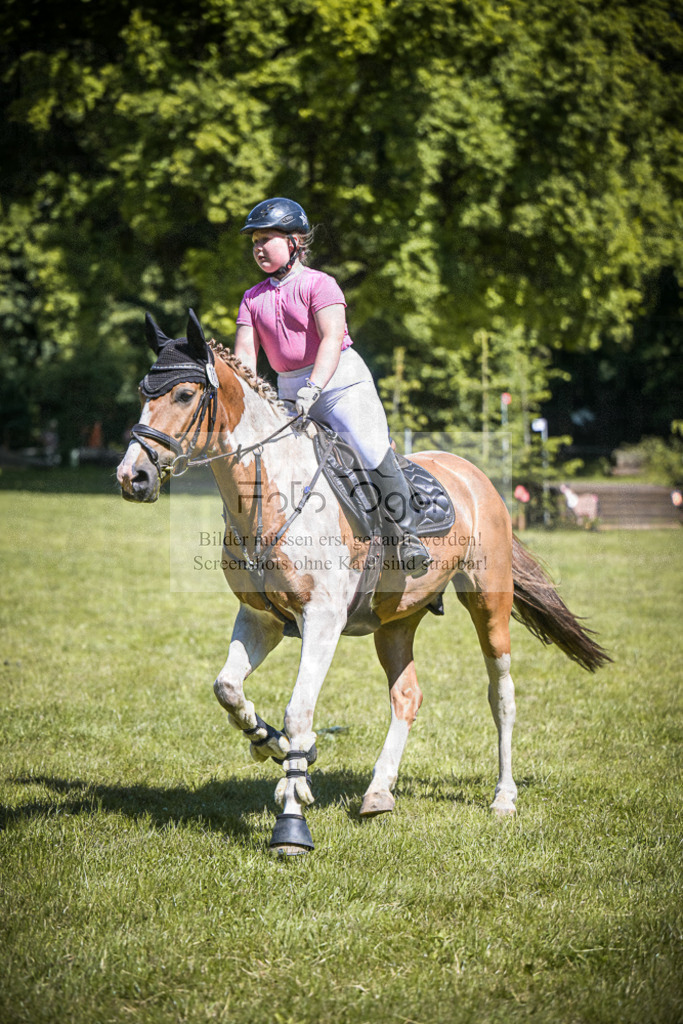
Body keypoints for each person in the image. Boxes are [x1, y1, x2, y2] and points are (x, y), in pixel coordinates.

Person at [234, 197, 431, 577]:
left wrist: (315, 385)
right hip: (288, 391)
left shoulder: (320, 284)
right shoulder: (251, 298)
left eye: (267, 239)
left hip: (340, 382)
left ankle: (408, 537)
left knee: (369, 447)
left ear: (294, 242)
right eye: (254, 241)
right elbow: (245, 356)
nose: (258, 248)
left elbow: (331, 339)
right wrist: (252, 399)